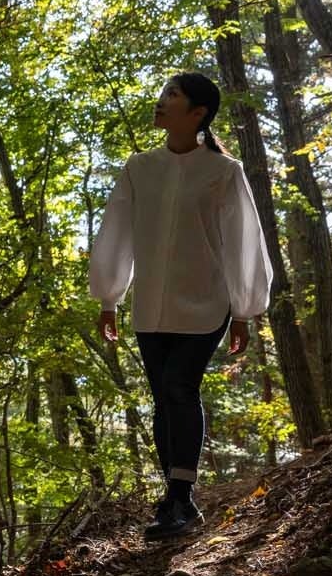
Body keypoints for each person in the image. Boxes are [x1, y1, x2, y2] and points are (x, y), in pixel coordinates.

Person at [90, 72, 273, 540]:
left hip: (205, 303)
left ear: (197, 114)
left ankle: (183, 499)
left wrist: (244, 310)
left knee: (178, 388)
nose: (161, 100)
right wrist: (109, 296)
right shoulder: (139, 167)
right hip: (151, 306)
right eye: (163, 92)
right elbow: (117, 231)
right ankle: (173, 496)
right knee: (162, 399)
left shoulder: (223, 172)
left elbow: (243, 242)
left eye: (173, 95)